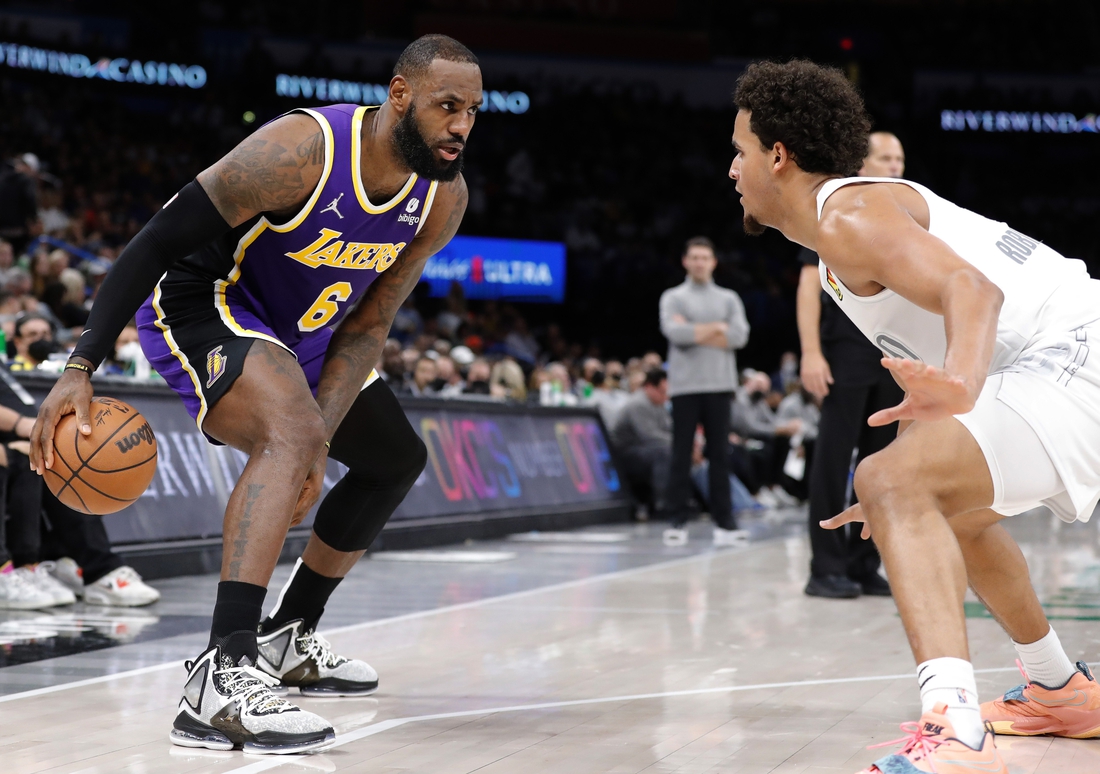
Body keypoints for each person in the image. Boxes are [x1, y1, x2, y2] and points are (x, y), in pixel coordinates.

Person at [30, 34, 481, 755]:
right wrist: (78, 364)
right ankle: (221, 673)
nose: (461, 124)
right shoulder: (303, 149)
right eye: (446, 106)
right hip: (205, 301)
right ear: (400, 96)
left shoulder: (442, 198)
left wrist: (321, 438)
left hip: (307, 331)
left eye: (473, 111)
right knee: (290, 436)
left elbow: (369, 326)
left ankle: (286, 636)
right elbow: (154, 242)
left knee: (394, 459)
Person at [730, 59, 1100, 774]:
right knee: (934, 503)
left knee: (898, 483)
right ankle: (1059, 690)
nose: (732, 170)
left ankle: (957, 730)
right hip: (1051, 353)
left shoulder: (849, 215)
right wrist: (904, 480)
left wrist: (932, 429)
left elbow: (974, 291)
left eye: (739, 150)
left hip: (1076, 348)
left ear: (777, 156)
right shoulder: (837, 239)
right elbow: (934, 361)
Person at [796, 132, 906, 600]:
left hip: (893, 352)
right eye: (887, 157)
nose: (896, 165)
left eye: (900, 158)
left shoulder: (909, 214)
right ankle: (825, 566)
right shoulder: (836, 209)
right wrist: (810, 353)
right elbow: (808, 287)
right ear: (864, 162)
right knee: (833, 458)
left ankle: (864, 564)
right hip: (845, 351)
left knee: (881, 464)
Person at [659, 236, 750, 546]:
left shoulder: (728, 298)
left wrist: (695, 330)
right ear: (685, 261)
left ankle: (725, 522)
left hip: (720, 385)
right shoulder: (673, 297)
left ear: (713, 262)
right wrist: (717, 328)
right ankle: (676, 519)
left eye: (704, 257)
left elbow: (738, 337)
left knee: (720, 456)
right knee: (681, 454)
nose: (699, 262)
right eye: (694, 257)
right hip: (685, 387)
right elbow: (674, 333)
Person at [609, 369, 673, 520]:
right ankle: (661, 503)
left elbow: (669, 428)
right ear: (650, 387)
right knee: (663, 452)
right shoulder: (638, 404)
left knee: (674, 450)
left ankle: (684, 499)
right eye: (662, 392)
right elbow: (649, 436)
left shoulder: (658, 403)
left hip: (645, 448)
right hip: (626, 453)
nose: (666, 397)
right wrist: (681, 444)